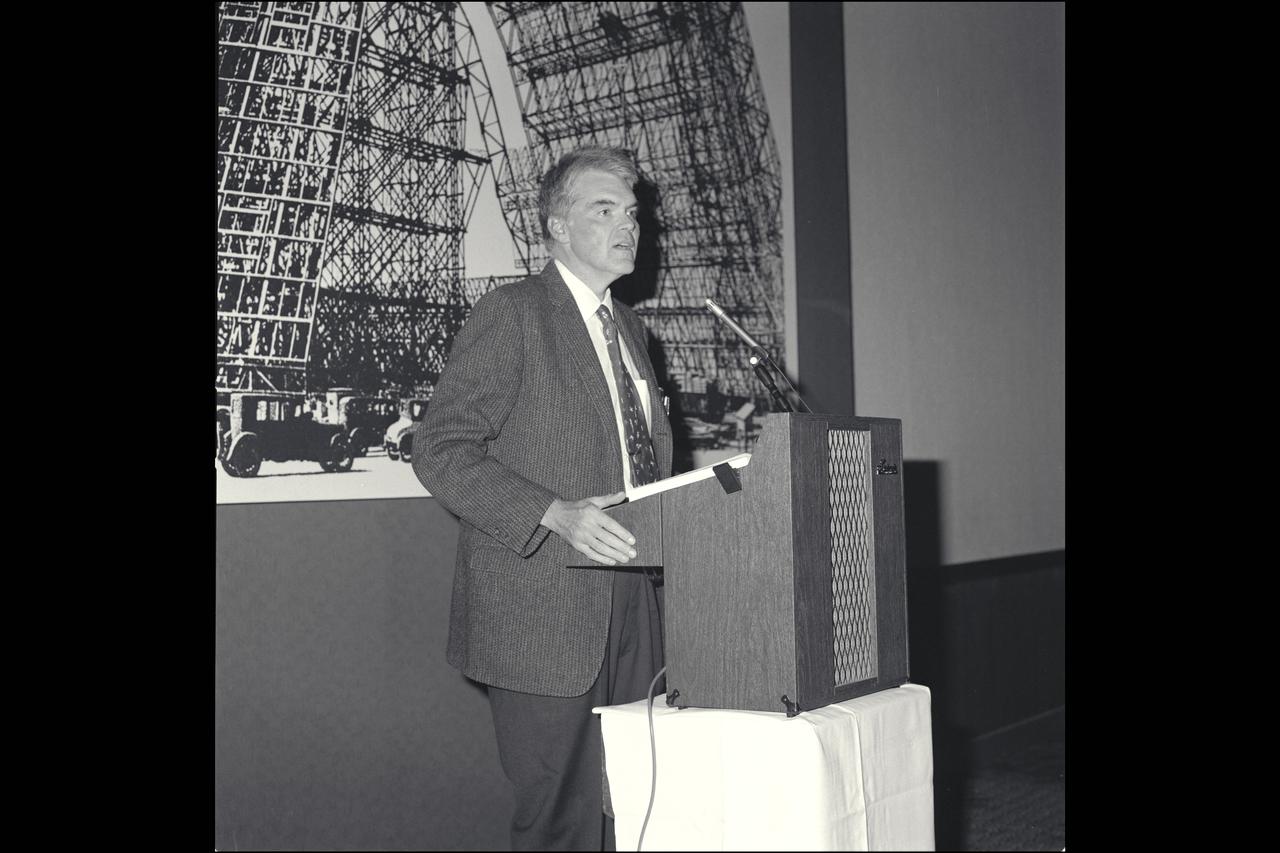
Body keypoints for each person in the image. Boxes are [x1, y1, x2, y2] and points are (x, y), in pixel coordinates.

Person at [413, 146, 673, 850]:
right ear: (556, 226)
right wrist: (551, 511)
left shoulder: (633, 333)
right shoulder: (515, 314)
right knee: (560, 819)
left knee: (640, 802)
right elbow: (438, 447)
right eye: (604, 209)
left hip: (635, 596)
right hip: (543, 607)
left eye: (633, 212)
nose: (629, 225)